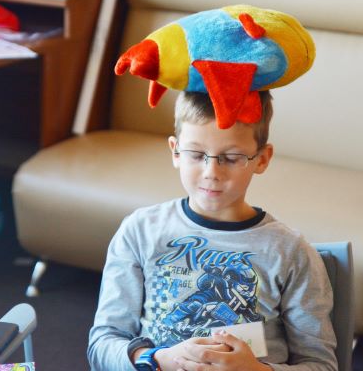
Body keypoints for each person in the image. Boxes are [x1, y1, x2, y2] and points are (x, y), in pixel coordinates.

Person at [87, 90, 337, 371]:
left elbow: (321, 365)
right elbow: (103, 346)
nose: (211, 173)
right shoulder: (140, 231)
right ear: (175, 152)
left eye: (231, 158)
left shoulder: (290, 250)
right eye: (196, 155)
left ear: (262, 159)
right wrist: (158, 359)